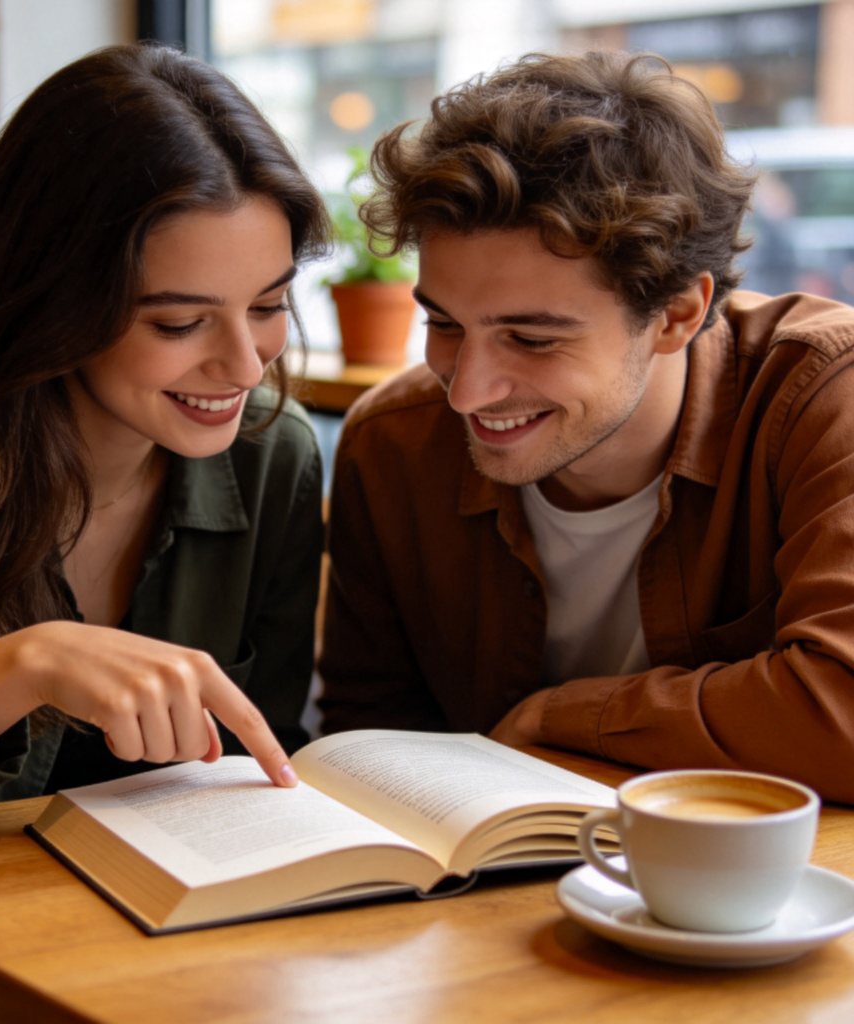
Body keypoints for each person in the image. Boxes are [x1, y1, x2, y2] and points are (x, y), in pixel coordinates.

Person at [0, 42, 329, 1021]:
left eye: (268, 305)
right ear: (53, 299)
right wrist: (14, 669)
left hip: (137, 949)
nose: (242, 362)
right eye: (181, 322)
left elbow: (254, 766)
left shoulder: (273, 457)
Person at [318, 50, 854, 805]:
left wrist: (563, 716)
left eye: (532, 339)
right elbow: (367, 742)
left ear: (676, 315)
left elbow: (845, 713)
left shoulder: (824, 396)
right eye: (443, 323)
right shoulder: (393, 446)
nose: (468, 391)